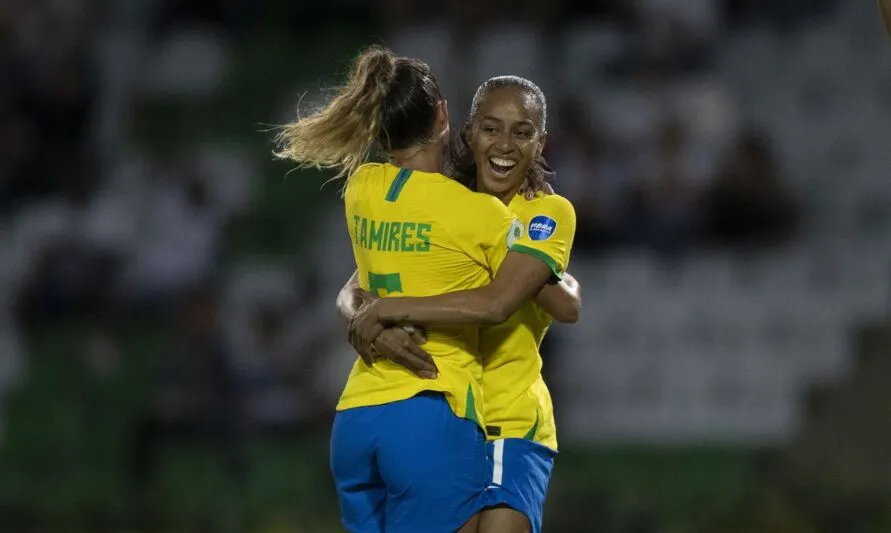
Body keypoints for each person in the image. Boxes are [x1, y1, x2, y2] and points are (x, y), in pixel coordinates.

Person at [274, 47, 568, 533]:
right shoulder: (477, 215)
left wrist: (371, 315)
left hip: (356, 417)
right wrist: (562, 277)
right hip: (432, 409)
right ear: (446, 117)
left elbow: (354, 289)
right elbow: (523, 300)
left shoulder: (361, 188)